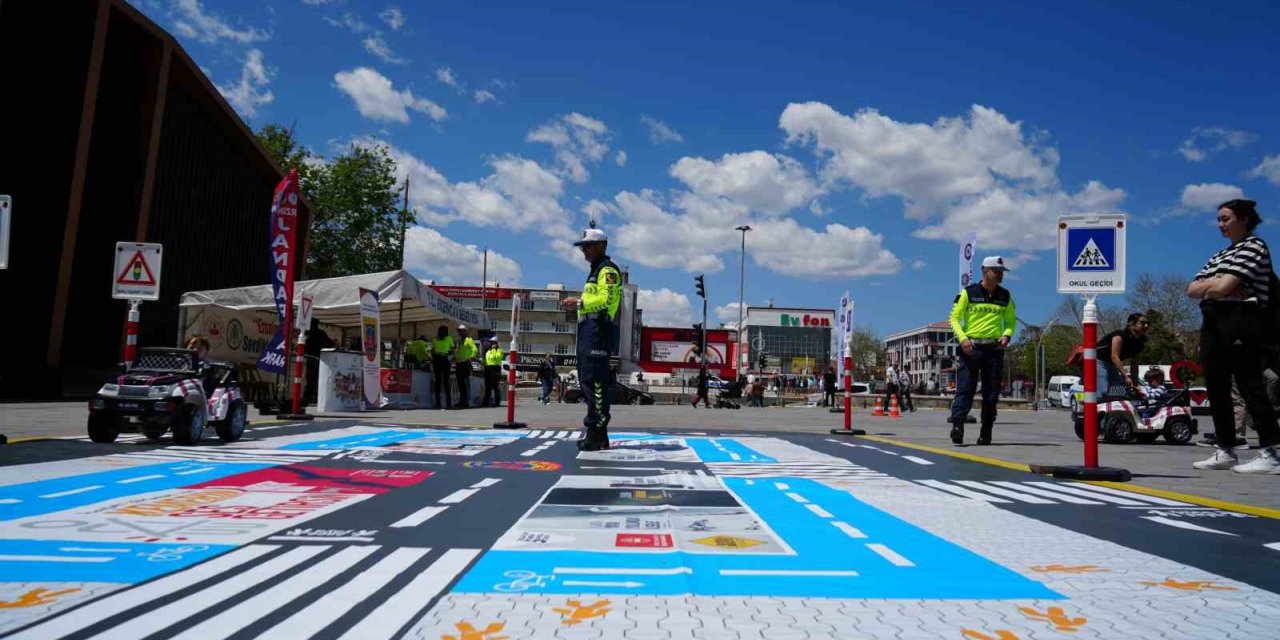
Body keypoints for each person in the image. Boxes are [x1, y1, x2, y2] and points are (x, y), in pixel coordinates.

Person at [1188, 199, 1280, 473]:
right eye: (1219, 219)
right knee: (1216, 387)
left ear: (1243, 219)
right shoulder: (1220, 255)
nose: (1220, 225)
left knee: (1249, 384)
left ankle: (1270, 452)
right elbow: (1192, 289)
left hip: (1241, 321)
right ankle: (1225, 448)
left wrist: (1217, 286)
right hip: (1213, 323)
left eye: (1225, 219)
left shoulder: (1254, 246)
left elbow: (1223, 285)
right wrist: (1217, 288)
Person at [560, 224, 622, 451]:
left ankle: (596, 430)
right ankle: (598, 434)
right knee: (587, 379)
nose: (584, 251)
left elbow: (606, 300)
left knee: (595, 380)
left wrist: (578, 302)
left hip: (598, 328)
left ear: (602, 246)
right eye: (583, 247)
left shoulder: (607, 270)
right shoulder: (596, 270)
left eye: (588, 246)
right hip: (589, 328)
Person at [948, 256, 1016, 445]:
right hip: (971, 348)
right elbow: (954, 319)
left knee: (991, 393)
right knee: (965, 389)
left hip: (994, 349)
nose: (1001, 275)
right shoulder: (968, 293)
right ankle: (957, 425)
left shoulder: (1005, 296)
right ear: (985, 271)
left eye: (1002, 272)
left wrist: (1006, 335)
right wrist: (963, 339)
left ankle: (986, 430)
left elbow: (1010, 321)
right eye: (997, 272)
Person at [1095, 313, 1151, 398]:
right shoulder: (1119, 335)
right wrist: (1126, 376)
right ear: (1132, 323)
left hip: (1112, 364)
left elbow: (1134, 365)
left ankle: (1114, 409)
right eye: (1142, 323)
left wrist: (1136, 385)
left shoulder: (1139, 343)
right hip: (1098, 361)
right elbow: (1114, 356)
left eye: (1148, 324)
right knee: (1103, 391)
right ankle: (1098, 408)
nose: (1146, 326)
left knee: (1118, 391)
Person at [303, 319, 335, 404]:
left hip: (311, 358)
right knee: (317, 379)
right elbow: (331, 343)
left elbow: (304, 346)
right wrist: (324, 350)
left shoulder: (308, 333)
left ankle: (308, 397)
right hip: (319, 358)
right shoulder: (321, 333)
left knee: (311, 379)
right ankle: (316, 397)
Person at [430, 325, 454, 410]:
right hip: (445, 359)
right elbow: (452, 349)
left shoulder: (435, 339)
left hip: (437, 359)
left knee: (438, 382)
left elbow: (432, 351)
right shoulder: (449, 338)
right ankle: (448, 403)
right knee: (446, 381)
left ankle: (438, 403)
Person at [454, 325, 478, 408]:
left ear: (465, 331)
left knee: (465, 383)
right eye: (459, 331)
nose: (459, 332)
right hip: (459, 363)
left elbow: (474, 349)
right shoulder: (460, 341)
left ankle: (466, 402)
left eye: (461, 331)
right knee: (460, 384)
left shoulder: (468, 340)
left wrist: (471, 357)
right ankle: (462, 401)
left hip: (465, 363)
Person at [483, 339, 504, 407]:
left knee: (495, 386)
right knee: (488, 386)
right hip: (488, 368)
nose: (492, 344)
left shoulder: (499, 350)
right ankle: (486, 402)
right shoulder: (488, 351)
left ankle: (497, 402)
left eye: (493, 343)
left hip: (495, 368)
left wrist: (494, 349)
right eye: (491, 343)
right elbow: (486, 359)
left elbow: (497, 357)